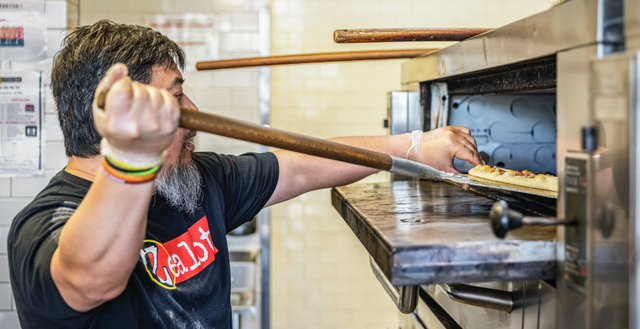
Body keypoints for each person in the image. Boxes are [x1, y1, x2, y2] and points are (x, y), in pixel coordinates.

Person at [8, 20, 480, 328]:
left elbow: (298, 164)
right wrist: (132, 159)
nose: (193, 111)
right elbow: (88, 277)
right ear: (119, 117)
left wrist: (415, 147)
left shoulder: (190, 183)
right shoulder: (43, 223)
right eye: (175, 97)